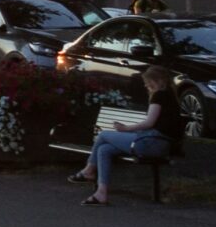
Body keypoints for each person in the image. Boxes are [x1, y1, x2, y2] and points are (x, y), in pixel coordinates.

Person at [72, 63, 182, 205]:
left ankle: (88, 170)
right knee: (104, 149)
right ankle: (101, 193)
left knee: (103, 135)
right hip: (159, 144)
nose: (146, 85)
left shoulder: (159, 96)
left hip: (152, 143)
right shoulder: (170, 96)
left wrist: (126, 129)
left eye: (148, 82)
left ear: (158, 81)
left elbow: (149, 123)